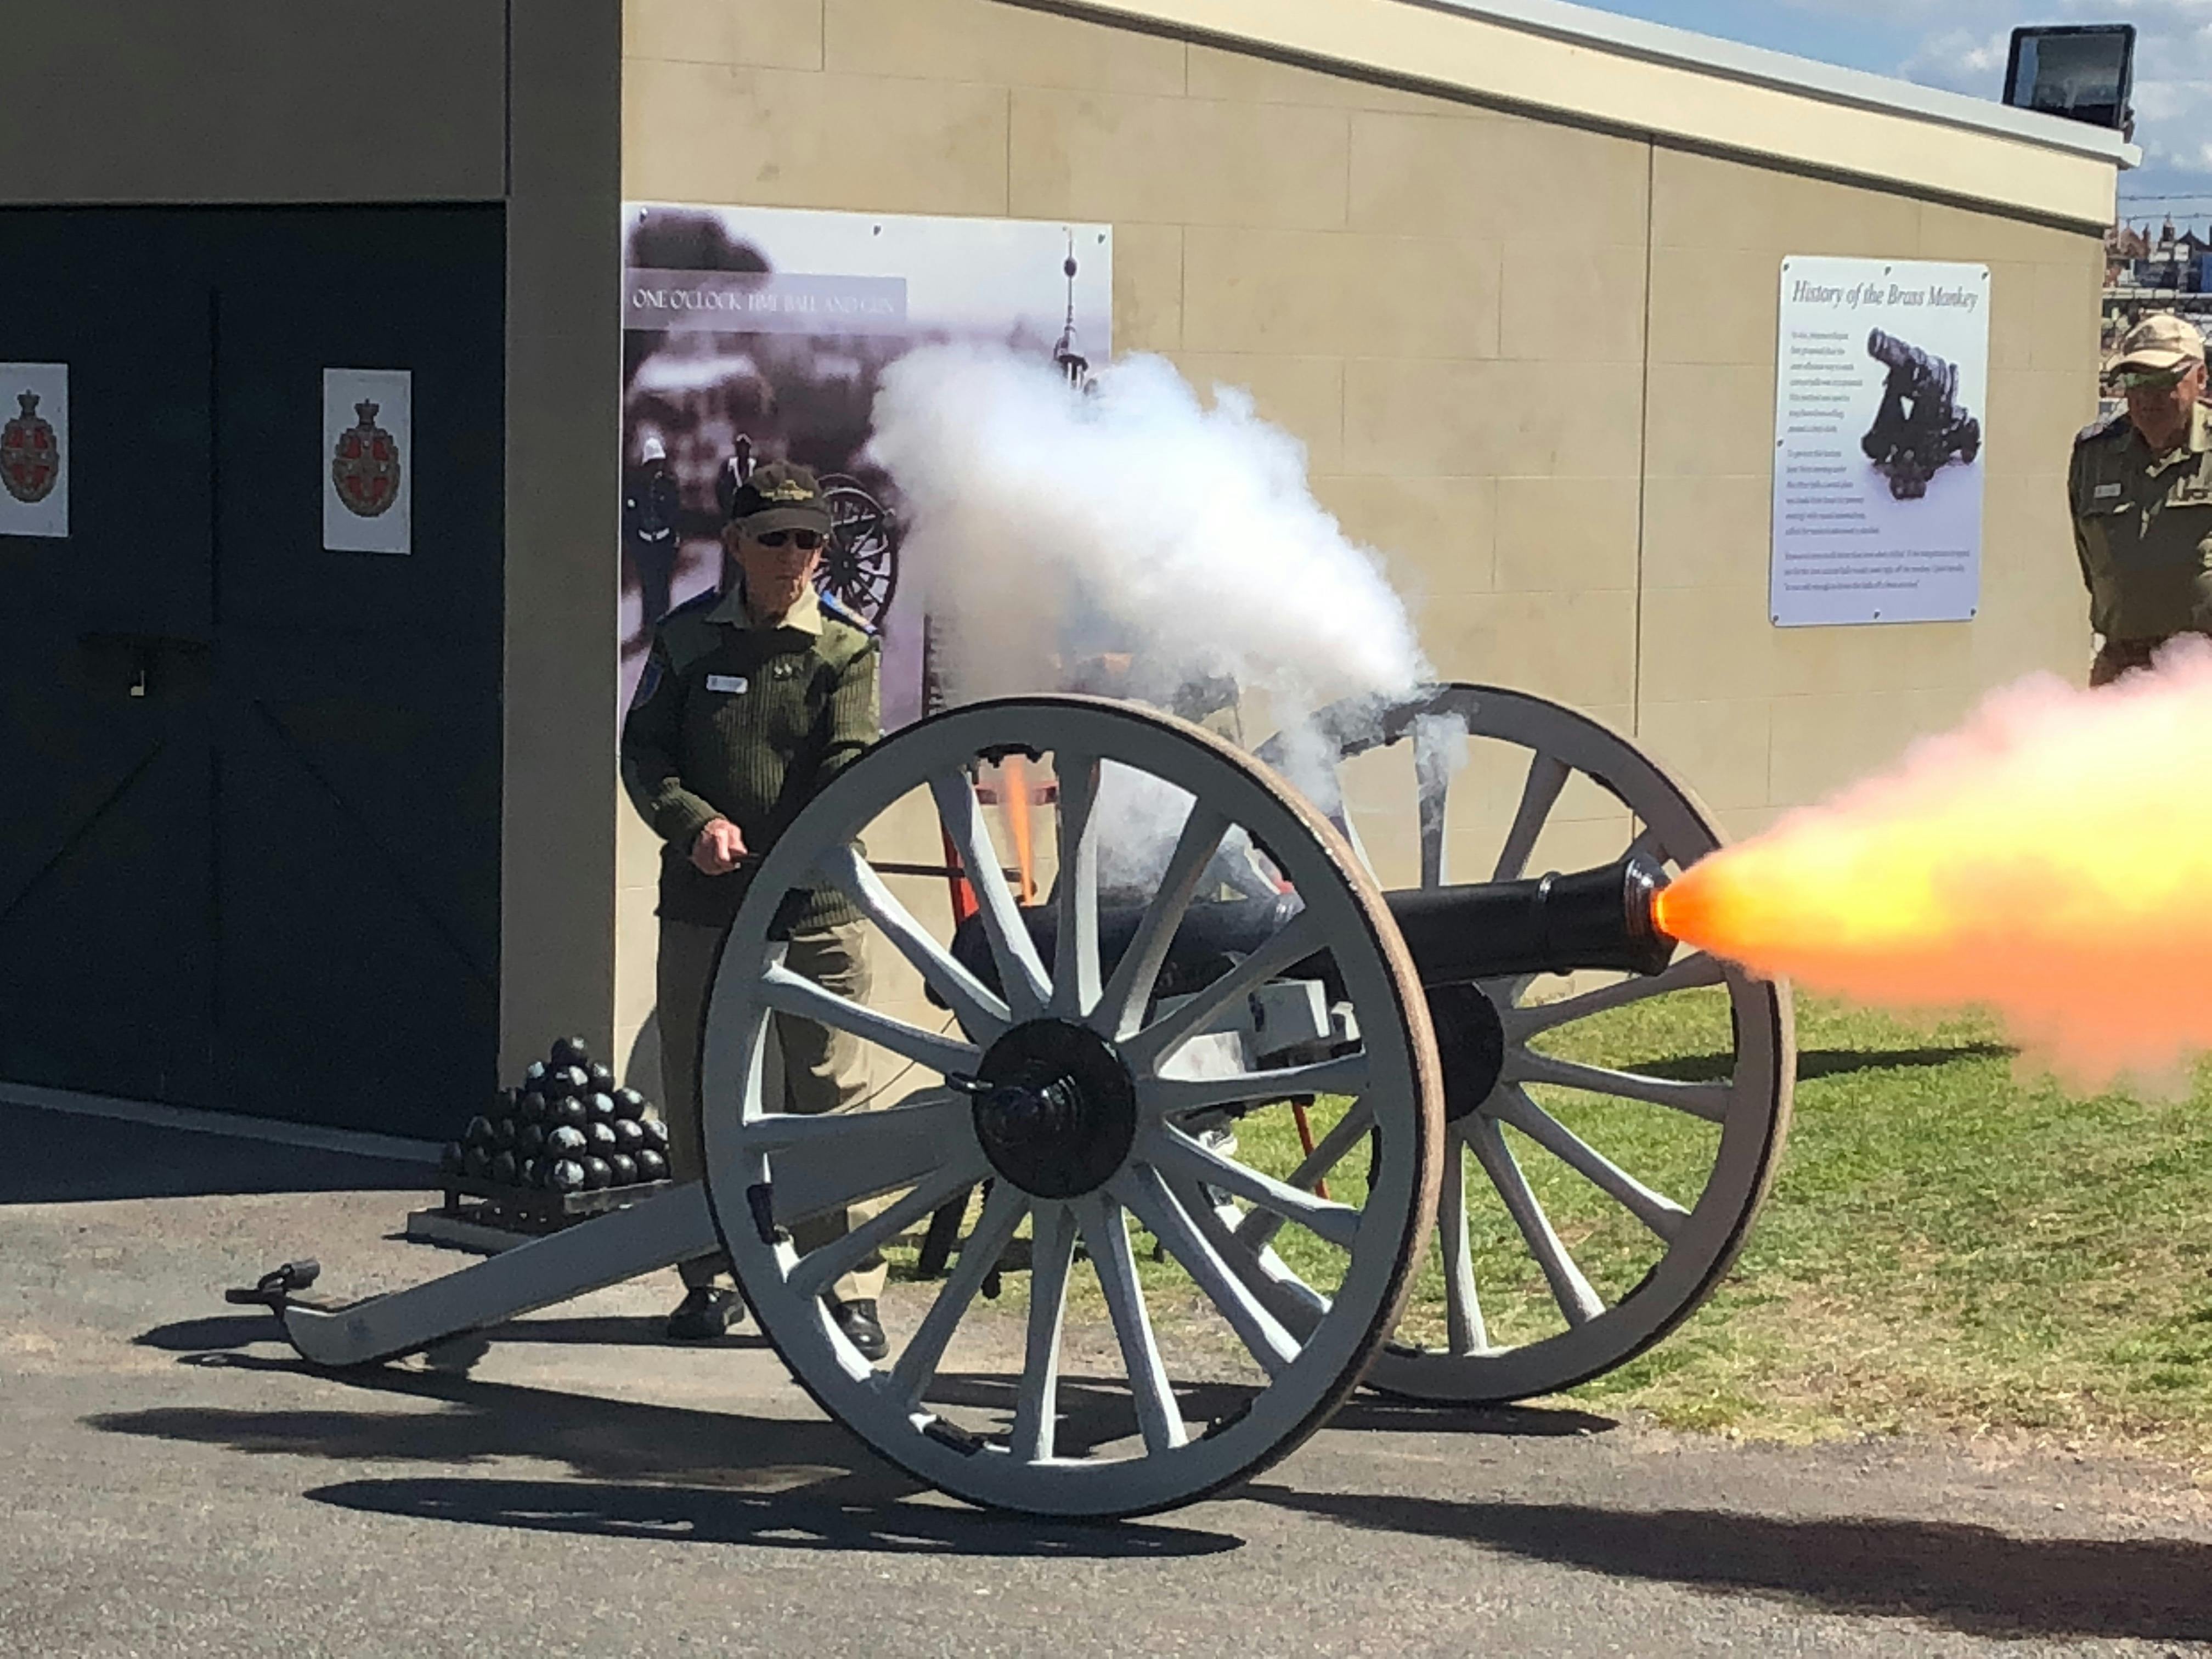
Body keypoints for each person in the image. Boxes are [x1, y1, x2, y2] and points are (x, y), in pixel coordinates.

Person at [620, 459, 889, 1356]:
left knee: (829, 1097)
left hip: (816, 908)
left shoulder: (846, 649)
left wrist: (800, 839)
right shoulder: (687, 639)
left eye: (809, 540)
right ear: (735, 544)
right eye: (773, 538)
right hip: (704, 901)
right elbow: (645, 754)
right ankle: (709, 1271)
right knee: (702, 1090)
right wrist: (693, 822)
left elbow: (857, 759)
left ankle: (847, 1285)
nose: (793, 556)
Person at [2069, 311, 2212, 686]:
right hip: (2124, 665)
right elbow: (2091, 563)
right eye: (2134, 379)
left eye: (2163, 379)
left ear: (2200, 378)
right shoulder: (2095, 455)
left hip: (2203, 667)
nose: (2147, 395)